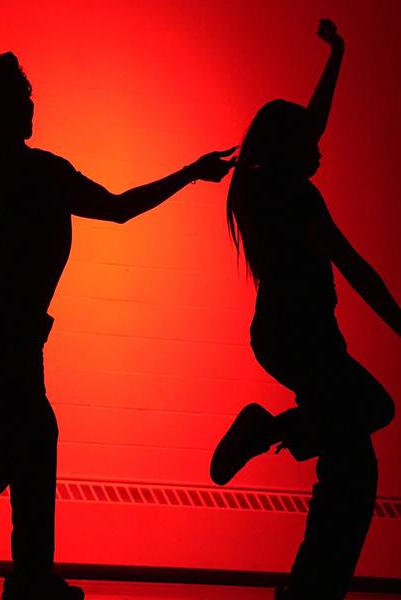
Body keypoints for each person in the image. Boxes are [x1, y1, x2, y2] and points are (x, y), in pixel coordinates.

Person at [0, 52, 236, 600]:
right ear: (5, 113)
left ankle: (21, 576)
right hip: (4, 327)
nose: (31, 110)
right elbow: (119, 208)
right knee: (7, 447)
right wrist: (189, 174)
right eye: (24, 103)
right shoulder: (42, 171)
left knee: (29, 439)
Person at [210, 19, 399, 600]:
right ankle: (271, 427)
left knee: (347, 463)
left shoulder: (258, 183)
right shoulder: (296, 196)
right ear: (290, 151)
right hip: (304, 339)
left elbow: (309, 123)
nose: (320, 148)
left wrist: (337, 55)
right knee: (372, 411)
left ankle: (309, 588)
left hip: (287, 337)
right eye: (310, 145)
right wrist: (400, 321)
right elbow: (353, 265)